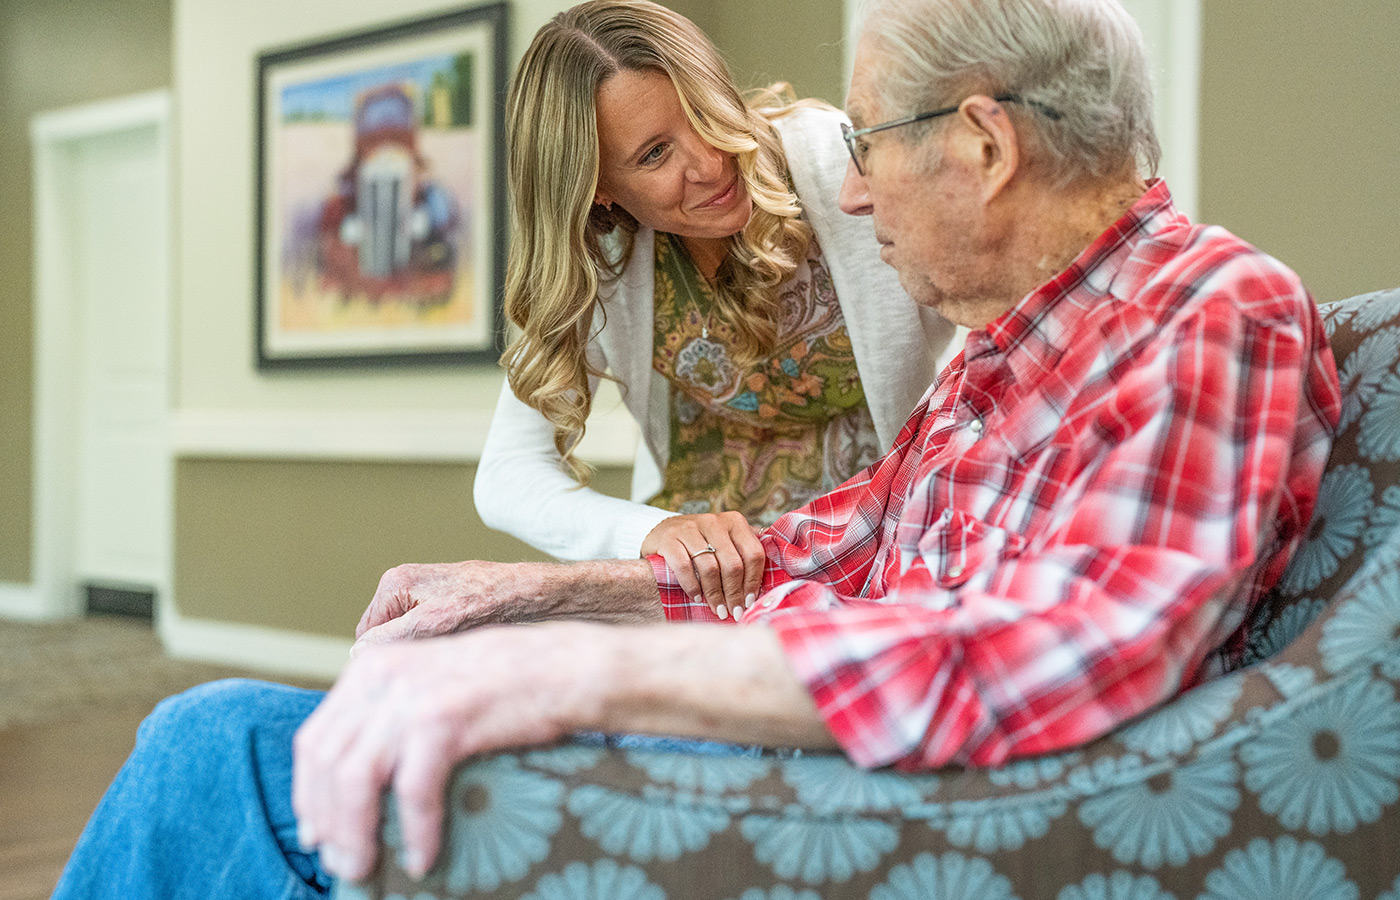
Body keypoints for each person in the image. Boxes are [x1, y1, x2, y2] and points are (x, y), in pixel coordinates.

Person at [51, 0, 1342, 896]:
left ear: (986, 146)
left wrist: (576, 676)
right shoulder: (1016, 344)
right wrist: (545, 595)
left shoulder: (1209, 310)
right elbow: (849, 536)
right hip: (791, 704)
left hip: (876, 791)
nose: (847, 183)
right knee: (225, 739)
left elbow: (1061, 654)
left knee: (215, 746)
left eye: (874, 146)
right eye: (649, 158)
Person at [473, 0, 957, 618]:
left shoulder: (840, 169)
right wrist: (650, 532)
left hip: (875, 572)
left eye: (706, 113)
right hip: (702, 598)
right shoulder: (600, 262)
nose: (709, 163)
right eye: (654, 154)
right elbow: (508, 476)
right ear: (598, 186)